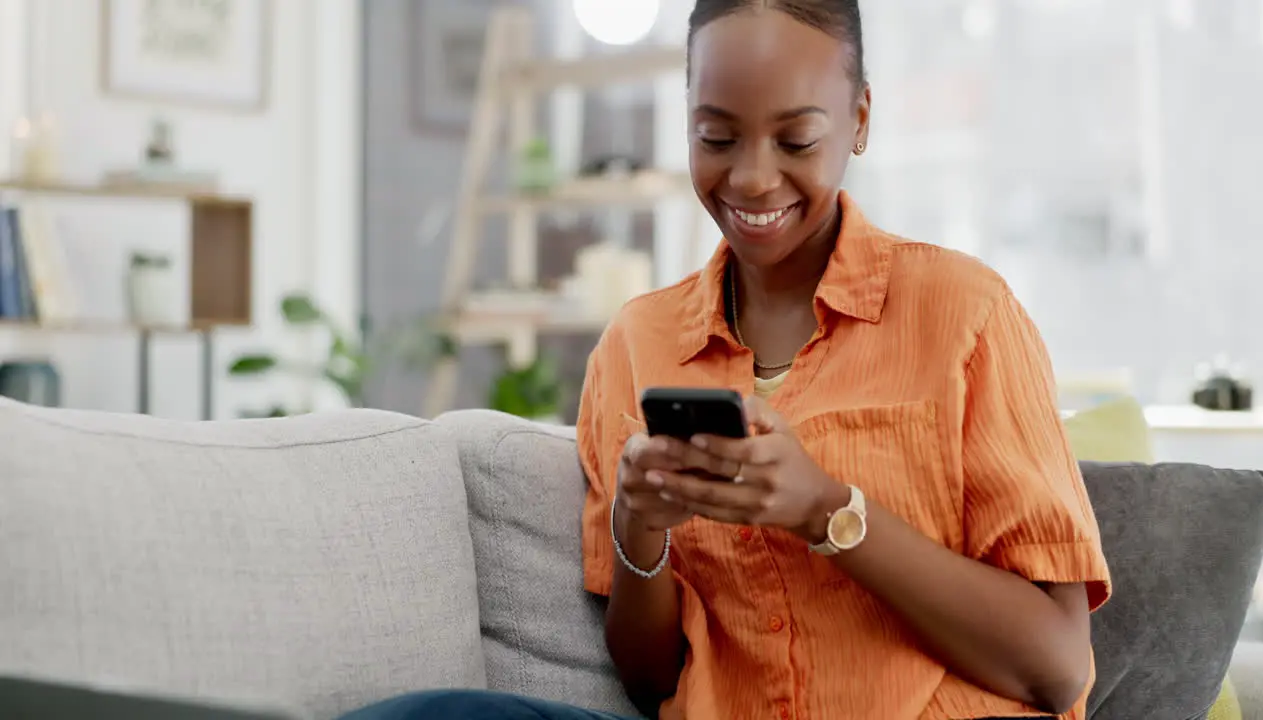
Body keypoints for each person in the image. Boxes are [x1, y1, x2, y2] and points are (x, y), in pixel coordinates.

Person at [340, 0, 1111, 718]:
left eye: (796, 140)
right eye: (715, 137)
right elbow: (650, 678)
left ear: (860, 119)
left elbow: (1055, 666)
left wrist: (826, 510)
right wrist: (638, 529)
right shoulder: (638, 345)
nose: (750, 177)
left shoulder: (965, 314)